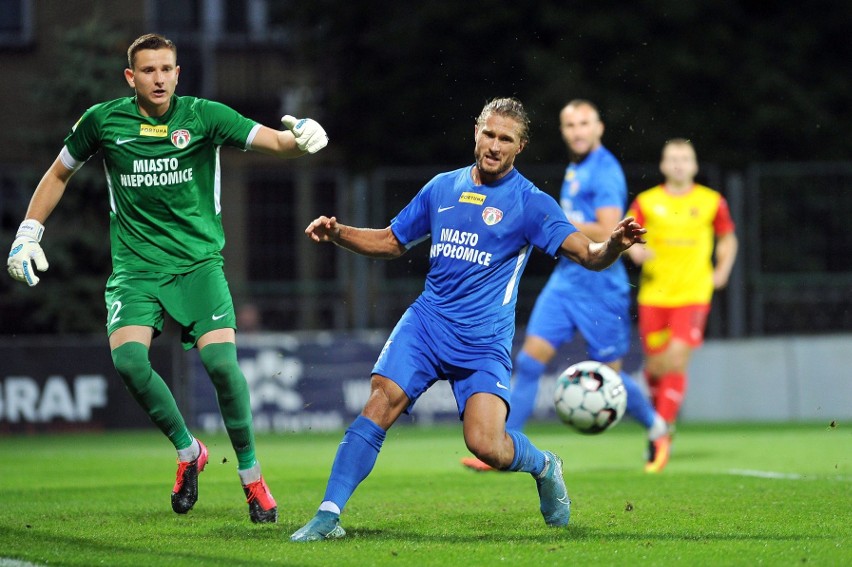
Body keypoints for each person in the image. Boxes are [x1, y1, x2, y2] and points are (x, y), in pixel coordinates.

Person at [291, 97, 646, 542]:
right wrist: (339, 233)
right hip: (427, 324)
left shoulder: (532, 204)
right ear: (476, 131)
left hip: (483, 342)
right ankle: (328, 514)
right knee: (379, 404)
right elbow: (390, 241)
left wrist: (612, 246)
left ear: (520, 148)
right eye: (489, 134)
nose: (495, 146)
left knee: (486, 445)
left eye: (506, 139)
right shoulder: (442, 188)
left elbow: (589, 255)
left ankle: (543, 464)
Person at [6, 33, 329, 522]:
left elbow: (276, 141)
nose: (159, 78)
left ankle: (252, 477)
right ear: (130, 78)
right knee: (131, 364)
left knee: (222, 367)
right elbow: (57, 174)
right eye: (149, 71)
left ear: (178, 73)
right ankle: (187, 450)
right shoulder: (103, 121)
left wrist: (301, 137)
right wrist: (29, 232)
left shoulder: (204, 116)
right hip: (136, 271)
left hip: (199, 266)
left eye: (167, 69)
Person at [461, 99, 669, 474]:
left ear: (599, 128)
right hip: (565, 282)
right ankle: (500, 445)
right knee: (527, 362)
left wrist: (556, 219)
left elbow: (608, 230)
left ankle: (657, 428)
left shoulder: (604, 170)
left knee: (612, 375)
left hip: (600, 287)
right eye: (570, 125)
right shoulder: (578, 168)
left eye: (584, 124)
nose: (578, 132)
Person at [626, 138, 738, 471]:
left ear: (693, 165)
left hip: (693, 294)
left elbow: (728, 238)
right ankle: (662, 423)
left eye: (684, 159)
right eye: (672, 159)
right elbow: (628, 235)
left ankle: (659, 435)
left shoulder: (711, 201)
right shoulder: (647, 201)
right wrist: (636, 251)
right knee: (656, 368)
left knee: (677, 359)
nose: (678, 164)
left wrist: (722, 271)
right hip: (654, 295)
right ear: (663, 165)